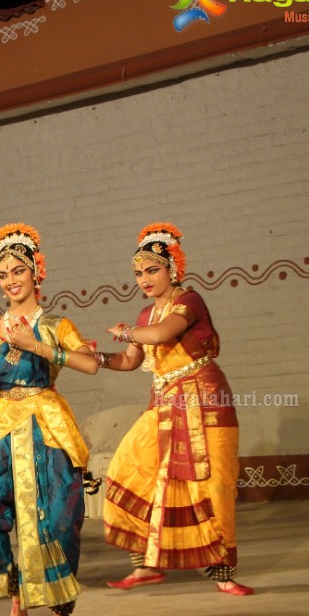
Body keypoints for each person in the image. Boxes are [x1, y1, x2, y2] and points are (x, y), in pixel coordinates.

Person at [0, 224, 99, 616]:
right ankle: (15, 590)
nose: (11, 280)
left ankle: (60, 606)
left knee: (59, 519)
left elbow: (90, 363)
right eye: (4, 273)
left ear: (36, 274)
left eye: (18, 270)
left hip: (47, 427)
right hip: (5, 431)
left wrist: (35, 345)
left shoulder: (56, 325)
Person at [99, 223, 253, 595]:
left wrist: (123, 333)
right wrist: (99, 356)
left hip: (205, 401)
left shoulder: (190, 301)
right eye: (138, 273)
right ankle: (144, 564)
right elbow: (130, 360)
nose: (144, 279)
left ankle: (223, 575)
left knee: (213, 485)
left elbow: (161, 335)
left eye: (152, 270)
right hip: (165, 401)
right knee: (131, 470)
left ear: (173, 269)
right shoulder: (143, 315)